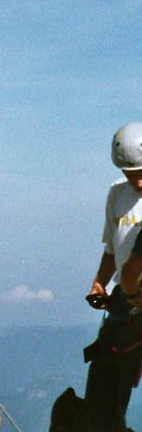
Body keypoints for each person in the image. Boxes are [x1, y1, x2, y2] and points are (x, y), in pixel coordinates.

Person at [82, 122, 142, 432]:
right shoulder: (117, 194)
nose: (140, 180)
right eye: (133, 174)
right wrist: (99, 281)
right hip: (125, 300)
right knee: (103, 397)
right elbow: (112, 247)